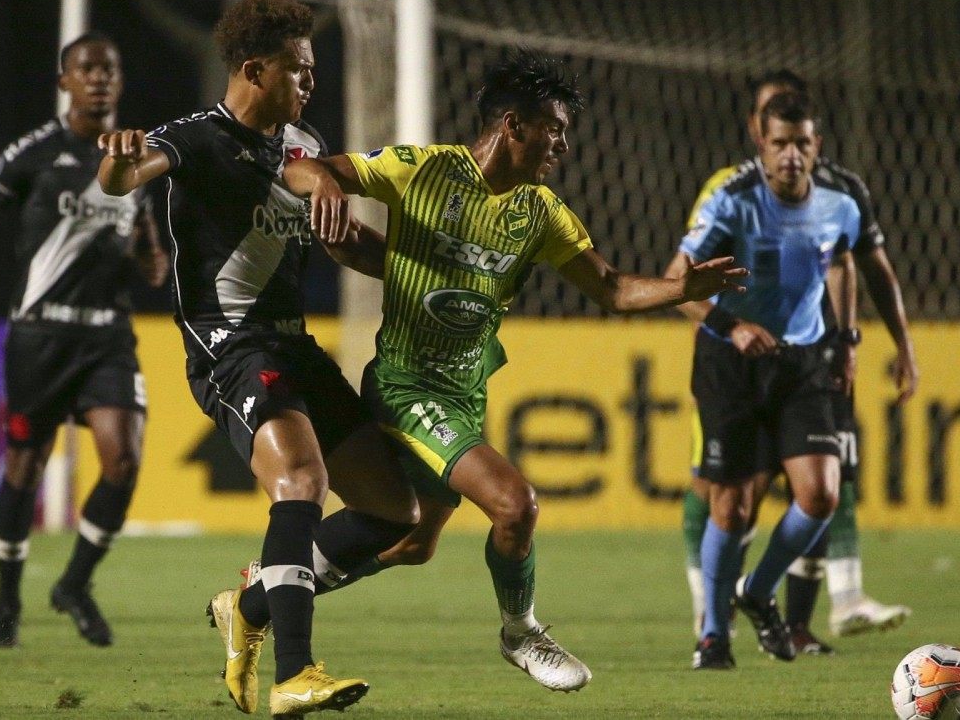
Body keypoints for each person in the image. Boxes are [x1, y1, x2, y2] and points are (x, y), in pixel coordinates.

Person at [278, 48, 747, 692]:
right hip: (406, 386)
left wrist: (677, 288)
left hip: (464, 397)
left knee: (414, 543)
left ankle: (266, 590)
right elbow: (301, 167)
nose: (561, 143)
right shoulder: (424, 168)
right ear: (512, 125)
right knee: (516, 504)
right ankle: (521, 632)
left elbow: (610, 289)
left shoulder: (541, 212)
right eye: (552, 128)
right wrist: (329, 183)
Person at [96, 0, 424, 717]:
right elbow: (128, 176)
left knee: (394, 512)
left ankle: (246, 603)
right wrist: (117, 167)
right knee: (301, 480)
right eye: (299, 70)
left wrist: (422, 268)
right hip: (230, 344)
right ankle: (295, 671)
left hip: (292, 342)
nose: (311, 82)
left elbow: (342, 236)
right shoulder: (196, 137)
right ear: (255, 69)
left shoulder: (300, 141)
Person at [0, 33, 169, 648]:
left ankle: (74, 583)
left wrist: (153, 251)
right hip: (41, 335)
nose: (98, 79)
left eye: (109, 70)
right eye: (86, 69)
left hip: (107, 337)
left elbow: (153, 267)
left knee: (123, 461)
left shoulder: (137, 161)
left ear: (119, 84)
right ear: (64, 82)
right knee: (24, 467)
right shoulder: (34, 153)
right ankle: (7, 600)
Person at [675, 70, 918, 656]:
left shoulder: (840, 201)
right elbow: (676, 284)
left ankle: (759, 591)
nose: (791, 155)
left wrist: (854, 340)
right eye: (780, 143)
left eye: (802, 143)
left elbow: (846, 262)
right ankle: (713, 632)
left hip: (804, 361)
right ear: (760, 141)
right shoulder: (729, 199)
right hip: (732, 364)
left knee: (821, 494)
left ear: (817, 144)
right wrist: (731, 327)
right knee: (730, 506)